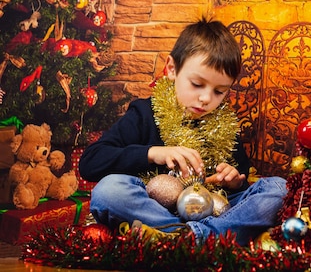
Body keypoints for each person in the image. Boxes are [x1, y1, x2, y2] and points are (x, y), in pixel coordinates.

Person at [79, 19, 287, 246]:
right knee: (109, 191)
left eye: (219, 91)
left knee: (280, 189)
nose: (206, 99)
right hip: (155, 208)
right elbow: (90, 163)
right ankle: (207, 239)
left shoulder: (224, 123)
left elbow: (242, 177)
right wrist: (152, 153)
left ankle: (187, 239)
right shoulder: (144, 113)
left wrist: (234, 181)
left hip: (215, 210)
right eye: (197, 84)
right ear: (171, 69)